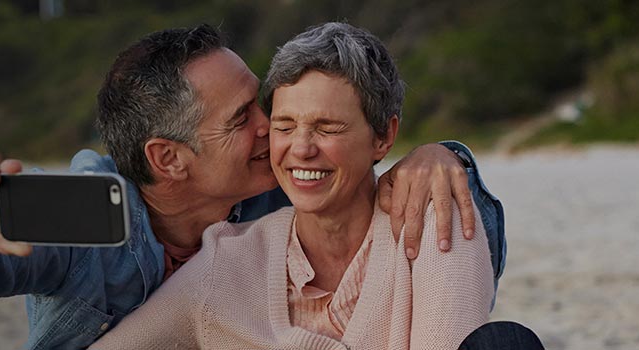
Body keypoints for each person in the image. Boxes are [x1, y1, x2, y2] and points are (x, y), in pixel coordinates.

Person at [0, 24, 507, 350]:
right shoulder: (89, 219)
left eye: (263, 106)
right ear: (169, 158)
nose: (277, 135)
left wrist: (445, 157)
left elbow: (455, 265)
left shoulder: (271, 188)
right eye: (247, 119)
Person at [90, 22, 527, 349]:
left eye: (327, 127)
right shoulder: (230, 260)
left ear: (383, 137)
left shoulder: (432, 224)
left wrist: (442, 152)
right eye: (284, 125)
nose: (300, 149)